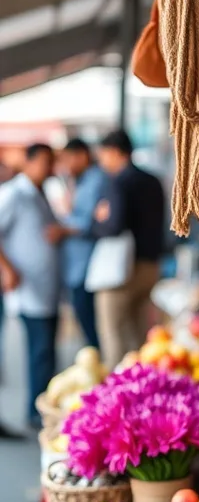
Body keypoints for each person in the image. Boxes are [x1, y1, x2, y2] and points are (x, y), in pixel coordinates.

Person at [0, 143, 63, 429]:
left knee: (47, 350)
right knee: (40, 351)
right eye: (46, 162)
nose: (50, 169)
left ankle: (40, 408)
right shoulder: (13, 194)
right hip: (29, 289)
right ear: (30, 162)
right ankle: (36, 411)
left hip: (47, 286)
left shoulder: (40, 194)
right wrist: (8, 269)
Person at [92, 130, 166, 365]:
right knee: (141, 334)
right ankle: (143, 386)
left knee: (113, 332)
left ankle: (119, 391)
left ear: (114, 152)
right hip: (151, 265)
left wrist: (98, 220)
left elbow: (113, 226)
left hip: (122, 270)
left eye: (103, 154)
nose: (102, 161)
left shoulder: (119, 182)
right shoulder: (153, 181)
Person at [57, 138, 106, 349]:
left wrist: (62, 229)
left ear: (82, 156)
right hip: (76, 264)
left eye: (68, 159)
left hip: (87, 264)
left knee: (89, 320)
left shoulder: (96, 180)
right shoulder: (78, 180)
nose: (66, 165)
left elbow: (90, 223)